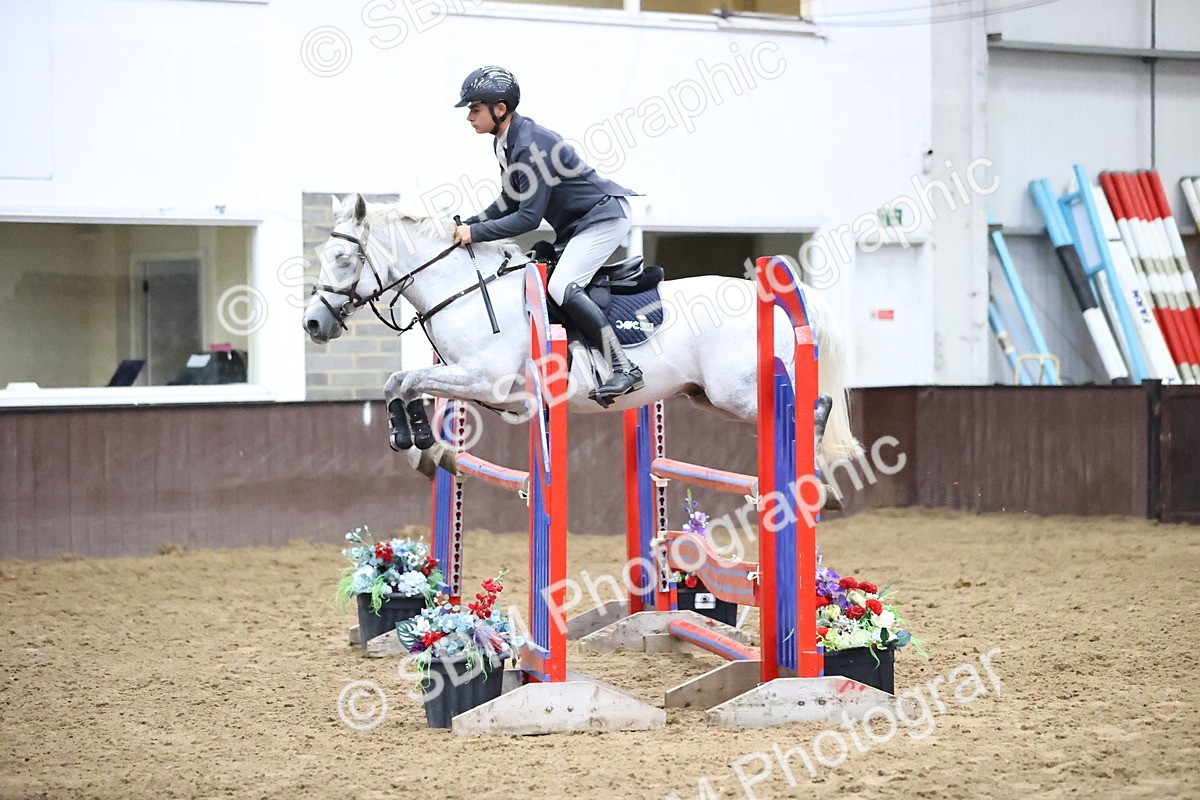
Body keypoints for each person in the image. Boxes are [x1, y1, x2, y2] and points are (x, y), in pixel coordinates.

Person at [452, 66, 644, 405]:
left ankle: (623, 366)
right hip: (581, 223)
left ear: (500, 109)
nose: (469, 116)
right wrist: (468, 224)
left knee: (561, 286)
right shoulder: (506, 142)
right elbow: (510, 200)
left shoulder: (528, 145)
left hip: (603, 218)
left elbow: (527, 217)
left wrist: (476, 232)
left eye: (474, 108)